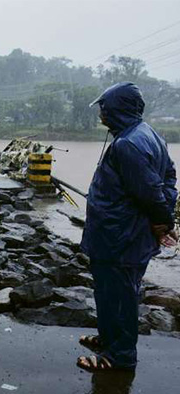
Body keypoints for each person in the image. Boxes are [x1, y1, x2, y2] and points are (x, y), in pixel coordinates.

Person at [77, 82, 177, 372]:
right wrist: (164, 216)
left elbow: (150, 191)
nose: (101, 116)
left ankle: (119, 356)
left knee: (119, 296)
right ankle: (109, 339)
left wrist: (164, 222)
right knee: (109, 292)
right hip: (121, 234)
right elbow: (168, 179)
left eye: (104, 109)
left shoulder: (128, 144)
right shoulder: (150, 135)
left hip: (120, 236)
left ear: (119, 108)